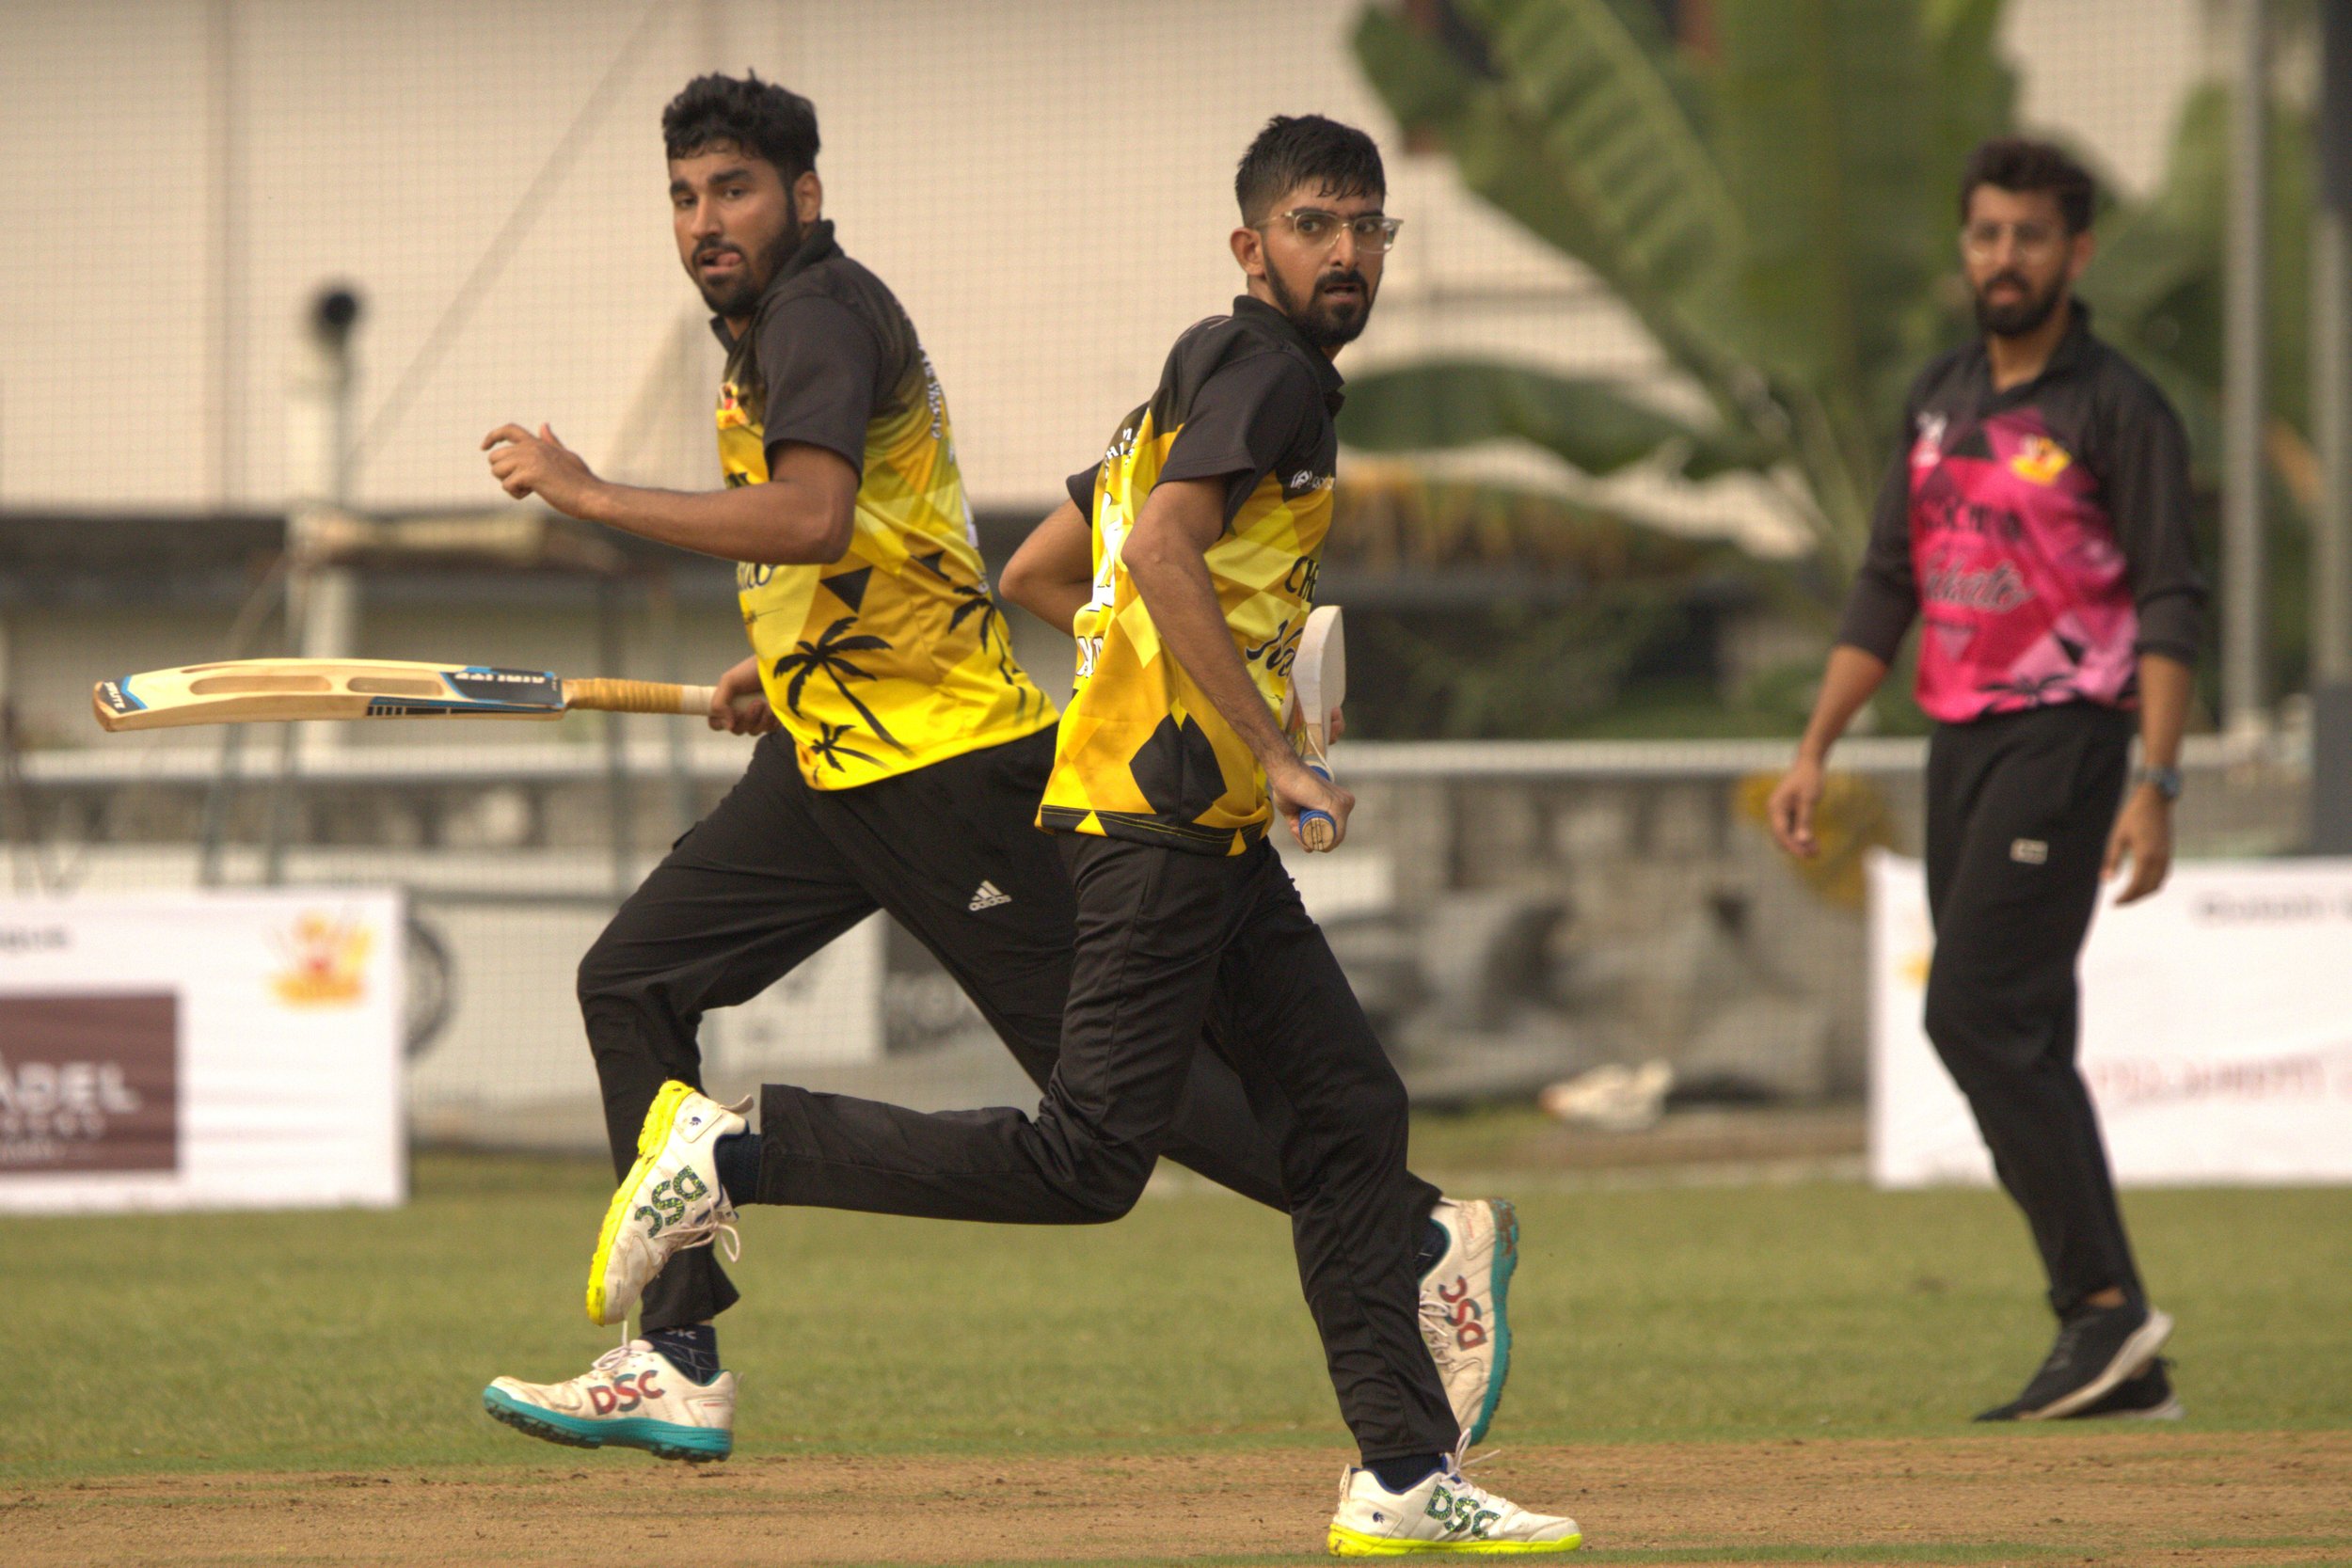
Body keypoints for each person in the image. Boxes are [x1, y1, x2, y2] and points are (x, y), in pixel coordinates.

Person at [532, 112, 1581, 1555]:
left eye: (1365, 228)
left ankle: (1402, 1472)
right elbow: (1153, 550)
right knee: (1088, 1160)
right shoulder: (1270, 376)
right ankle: (736, 1159)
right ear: (1253, 247)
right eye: (1315, 226)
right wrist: (1274, 744)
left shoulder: (1201, 373)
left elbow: (1046, 568)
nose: (1346, 252)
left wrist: (1182, 679)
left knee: (1348, 1113)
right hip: (1157, 821)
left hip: (1178, 815)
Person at [1768, 137, 2202, 1424]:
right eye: (1986, 234)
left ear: (2077, 253)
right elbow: (1887, 581)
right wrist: (1814, 746)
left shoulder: (2119, 407)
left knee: (1970, 1015)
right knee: (2025, 1034)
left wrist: (2158, 781)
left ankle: (2102, 1310)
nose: (2003, 257)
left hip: (2067, 740)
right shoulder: (1940, 395)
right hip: (1958, 744)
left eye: (2029, 236)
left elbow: (2171, 598)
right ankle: (2123, 1358)